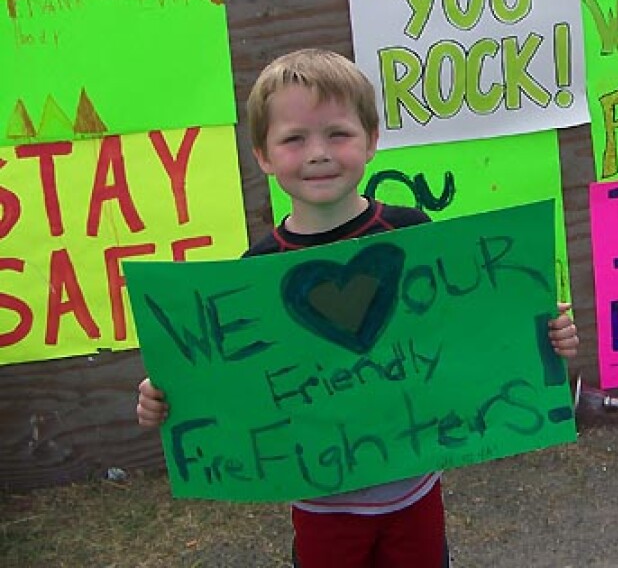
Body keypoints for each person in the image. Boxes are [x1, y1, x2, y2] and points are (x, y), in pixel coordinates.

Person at [136, 48, 580, 567]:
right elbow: (224, 379)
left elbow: (464, 332)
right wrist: (162, 397)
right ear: (262, 154)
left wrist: (547, 337)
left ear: (371, 140)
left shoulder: (412, 234)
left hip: (415, 488)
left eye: (337, 134)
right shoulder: (253, 271)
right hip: (320, 502)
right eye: (294, 138)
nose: (318, 153)